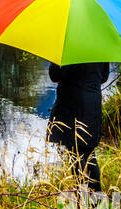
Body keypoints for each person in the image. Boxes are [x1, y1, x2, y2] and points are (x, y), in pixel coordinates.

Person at [47, 61, 110, 193]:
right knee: (89, 151)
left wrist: (56, 60)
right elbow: (104, 77)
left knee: (75, 152)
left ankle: (81, 196)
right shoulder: (101, 47)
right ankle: (95, 195)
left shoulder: (70, 50)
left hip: (73, 105)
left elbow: (55, 75)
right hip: (93, 103)